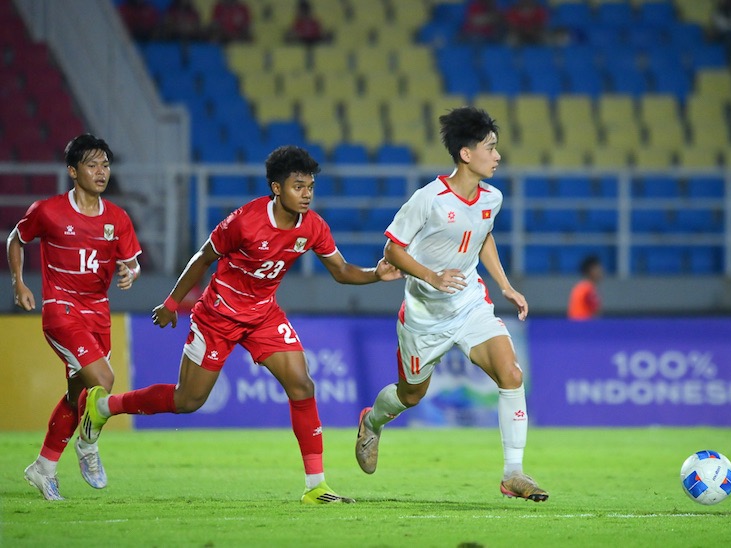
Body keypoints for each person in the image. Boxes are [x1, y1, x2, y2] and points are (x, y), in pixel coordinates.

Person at [80, 145, 401, 504]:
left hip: (263, 315)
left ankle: (316, 487)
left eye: (310, 186)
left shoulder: (312, 227)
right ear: (277, 188)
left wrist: (376, 274)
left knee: (302, 385)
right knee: (187, 400)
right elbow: (203, 257)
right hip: (217, 316)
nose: (307, 194)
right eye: (298, 186)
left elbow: (341, 271)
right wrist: (172, 303)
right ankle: (105, 407)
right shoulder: (245, 221)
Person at [355, 107, 549, 502]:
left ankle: (513, 473)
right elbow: (393, 248)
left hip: (470, 304)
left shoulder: (492, 197)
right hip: (425, 316)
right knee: (411, 396)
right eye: (490, 148)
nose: (497, 156)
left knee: (511, 373)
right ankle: (372, 421)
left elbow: (483, 236)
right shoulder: (428, 199)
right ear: (466, 153)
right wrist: (431, 276)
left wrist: (506, 286)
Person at [8, 134, 142, 500]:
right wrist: (19, 282)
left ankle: (43, 468)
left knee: (77, 398)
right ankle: (88, 444)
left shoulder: (118, 217)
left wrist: (131, 272)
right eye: (92, 165)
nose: (101, 172)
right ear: (73, 171)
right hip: (61, 310)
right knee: (105, 378)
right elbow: (16, 239)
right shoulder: (48, 211)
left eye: (105, 165)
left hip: (99, 312)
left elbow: (132, 262)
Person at [567, 255, 603, 321]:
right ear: (591, 270)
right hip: (584, 326)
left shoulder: (580, 287)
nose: (601, 271)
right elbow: (596, 313)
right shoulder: (587, 289)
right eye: (598, 269)